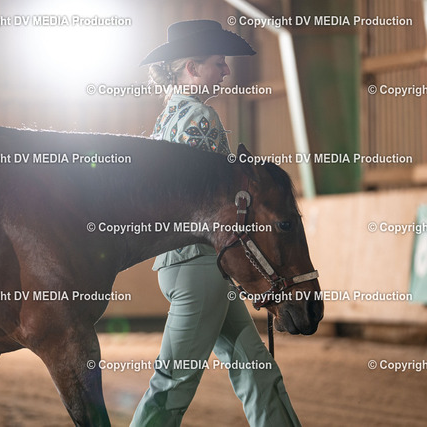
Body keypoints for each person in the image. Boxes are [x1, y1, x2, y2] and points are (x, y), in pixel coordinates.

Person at [131, 20, 301, 427]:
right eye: (218, 62)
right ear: (192, 67)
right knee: (172, 384)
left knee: (256, 369)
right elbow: (214, 203)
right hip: (201, 266)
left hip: (183, 264)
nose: (226, 70)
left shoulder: (167, 118)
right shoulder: (202, 117)